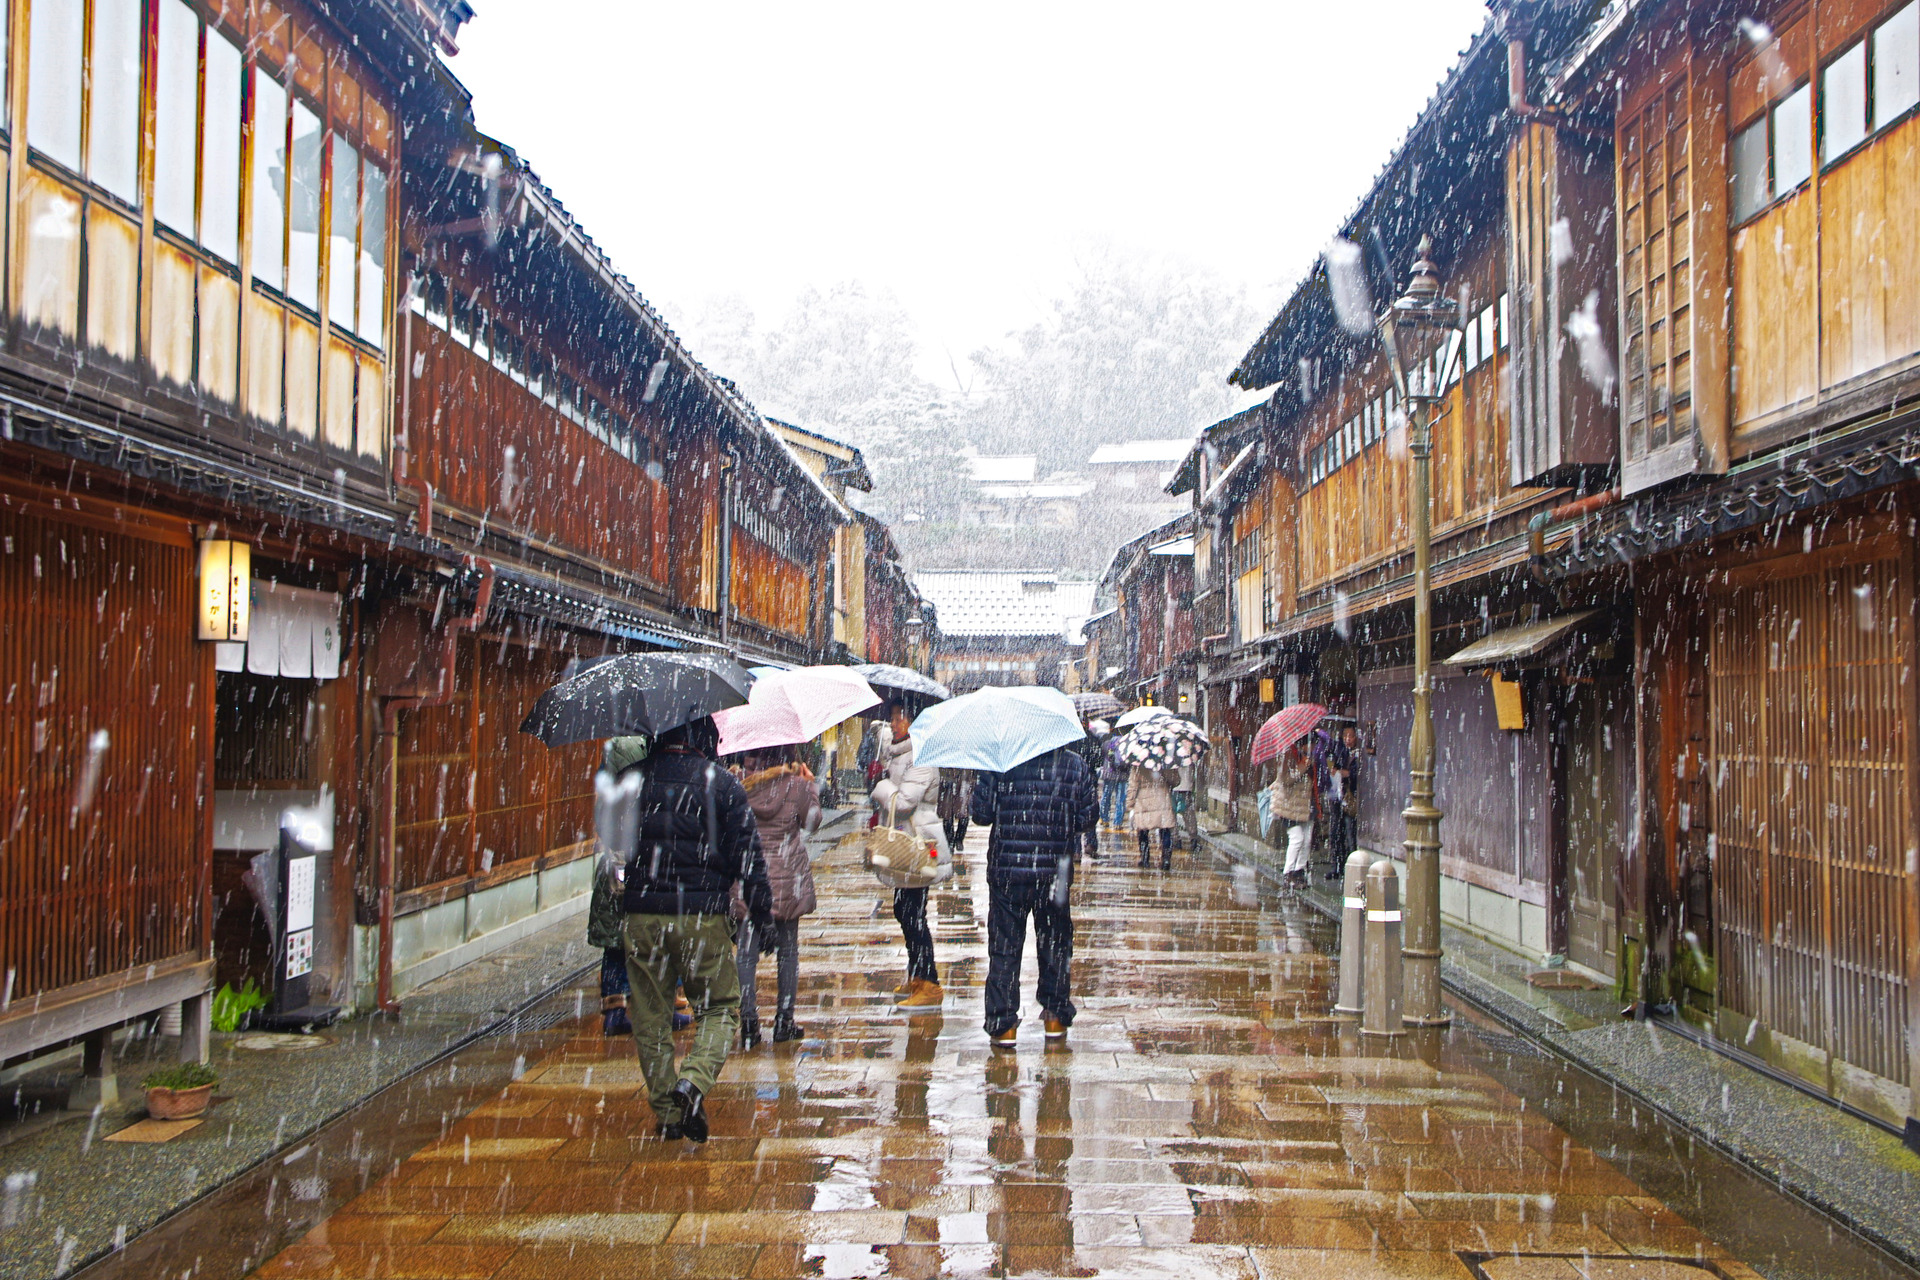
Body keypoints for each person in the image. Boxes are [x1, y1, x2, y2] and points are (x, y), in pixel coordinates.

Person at [620, 716, 773, 1144]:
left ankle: (669, 1112)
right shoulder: (722, 785)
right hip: (702, 914)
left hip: (643, 913)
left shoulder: (630, 780)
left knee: (650, 1017)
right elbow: (749, 858)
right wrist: (763, 914)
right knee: (721, 1007)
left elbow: (614, 845)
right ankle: (693, 1082)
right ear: (703, 738)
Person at [970, 742, 1096, 1047]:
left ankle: (1003, 1024)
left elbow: (981, 815)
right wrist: (1057, 825)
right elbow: (1087, 818)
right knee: (1055, 945)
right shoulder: (1075, 765)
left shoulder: (999, 759)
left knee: (1004, 948)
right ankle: (1055, 1016)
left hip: (1008, 872)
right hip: (1055, 871)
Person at [734, 746, 821, 1048]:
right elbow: (812, 822)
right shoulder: (796, 785)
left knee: (746, 954)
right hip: (787, 879)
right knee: (788, 952)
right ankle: (784, 1020)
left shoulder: (739, 785)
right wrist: (810, 787)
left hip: (750, 877)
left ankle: (748, 1022)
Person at [869, 704, 954, 1010]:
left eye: (898, 717)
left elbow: (904, 802)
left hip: (919, 843)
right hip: (906, 841)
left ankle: (929, 983)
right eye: (892, 717)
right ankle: (918, 976)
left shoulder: (922, 754)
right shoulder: (899, 752)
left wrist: (881, 786)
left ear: (914, 720)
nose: (893, 723)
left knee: (912, 913)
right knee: (905, 910)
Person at [1270, 739, 1316, 886]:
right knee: (1297, 838)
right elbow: (1285, 779)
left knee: (1306, 839)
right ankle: (1288, 872)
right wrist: (1303, 766)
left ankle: (1299, 871)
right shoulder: (1288, 752)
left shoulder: (1307, 754)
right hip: (1290, 806)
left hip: (1306, 803)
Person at [1067, 720, 1110, 859]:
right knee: (1089, 812)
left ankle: (1076, 850)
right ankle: (1090, 844)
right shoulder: (1092, 738)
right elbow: (1099, 760)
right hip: (1089, 779)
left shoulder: (1069, 739)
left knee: (1073, 813)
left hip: (1072, 779)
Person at [1324, 726, 1360, 880]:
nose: (1348, 739)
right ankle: (1336, 866)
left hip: (1350, 798)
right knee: (1335, 832)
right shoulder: (1340, 751)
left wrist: (1349, 773)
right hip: (1337, 798)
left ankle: (1352, 867)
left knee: (1350, 832)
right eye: (1345, 735)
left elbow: (1359, 772)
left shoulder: (1358, 754)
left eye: (1351, 736)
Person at [1129, 762, 1176, 870]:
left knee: (1143, 831)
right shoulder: (1167, 761)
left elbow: (1133, 786)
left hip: (1144, 801)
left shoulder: (1138, 763)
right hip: (1162, 799)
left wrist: (1130, 804)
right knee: (1165, 829)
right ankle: (1166, 858)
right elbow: (1175, 781)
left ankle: (1145, 858)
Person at [936, 769, 972, 849]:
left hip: (964, 785)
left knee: (963, 814)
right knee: (947, 814)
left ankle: (959, 839)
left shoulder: (969, 762)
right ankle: (949, 841)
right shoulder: (944, 762)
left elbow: (973, 776)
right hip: (947, 788)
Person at [1100, 733, 1128, 829]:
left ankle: (1104, 819)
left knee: (1106, 796)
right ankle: (1117, 822)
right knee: (1120, 799)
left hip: (1109, 774)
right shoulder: (1128, 743)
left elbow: (1103, 755)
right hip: (1123, 775)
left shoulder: (1107, 744)